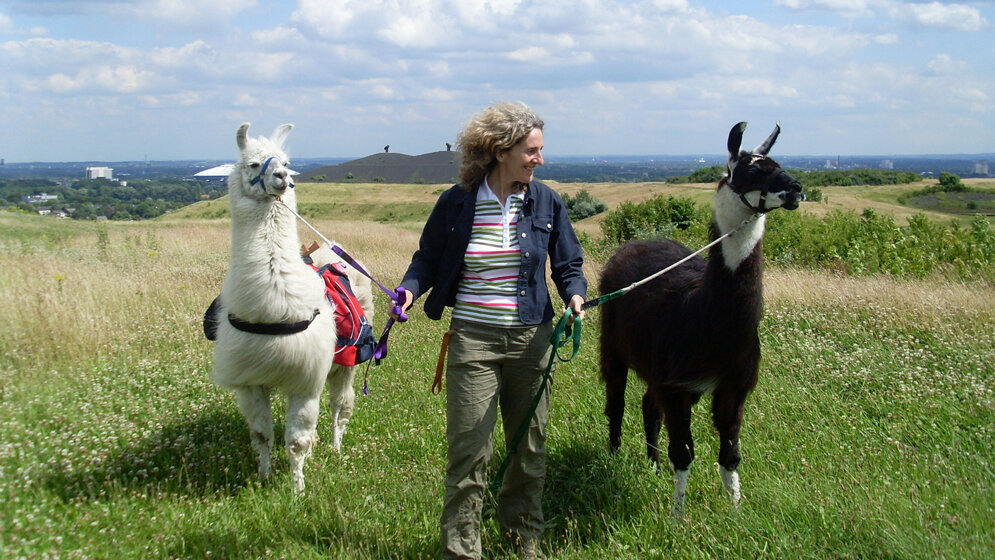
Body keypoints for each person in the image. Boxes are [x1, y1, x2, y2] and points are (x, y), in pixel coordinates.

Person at [393, 101, 587, 559]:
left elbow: (569, 264)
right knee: (468, 452)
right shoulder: (457, 202)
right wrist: (408, 290)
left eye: (539, 150)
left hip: (531, 340)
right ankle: (462, 549)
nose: (539, 159)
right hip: (472, 339)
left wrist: (575, 296)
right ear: (501, 151)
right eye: (531, 150)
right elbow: (427, 258)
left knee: (528, 449)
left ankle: (524, 540)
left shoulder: (546, 201)